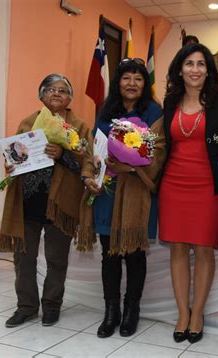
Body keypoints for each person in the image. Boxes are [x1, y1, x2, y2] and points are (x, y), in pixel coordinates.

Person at [82, 58, 165, 338]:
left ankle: (132, 310)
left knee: (134, 253)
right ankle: (111, 311)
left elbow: (159, 152)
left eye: (138, 78)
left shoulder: (155, 112)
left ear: (146, 84)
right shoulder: (105, 111)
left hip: (137, 193)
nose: (132, 84)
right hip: (108, 191)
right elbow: (96, 145)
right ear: (118, 82)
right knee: (109, 254)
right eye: (126, 78)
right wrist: (91, 170)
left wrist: (130, 166)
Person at [0, 74, 92, 328]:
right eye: (50, 89)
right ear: (41, 95)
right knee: (23, 258)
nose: (57, 93)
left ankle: (52, 305)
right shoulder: (28, 122)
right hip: (28, 201)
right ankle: (26, 307)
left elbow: (86, 163)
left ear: (70, 98)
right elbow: (14, 157)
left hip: (61, 204)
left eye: (63, 90)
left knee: (57, 258)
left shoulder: (80, 127)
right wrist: (10, 162)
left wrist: (63, 155)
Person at [159, 43, 218, 344]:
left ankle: (198, 312)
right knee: (177, 248)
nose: (194, 69)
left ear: (209, 70)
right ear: (180, 68)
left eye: (200, 64)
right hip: (173, 183)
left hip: (208, 185)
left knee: (203, 249)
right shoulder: (170, 101)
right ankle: (182, 312)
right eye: (189, 63)